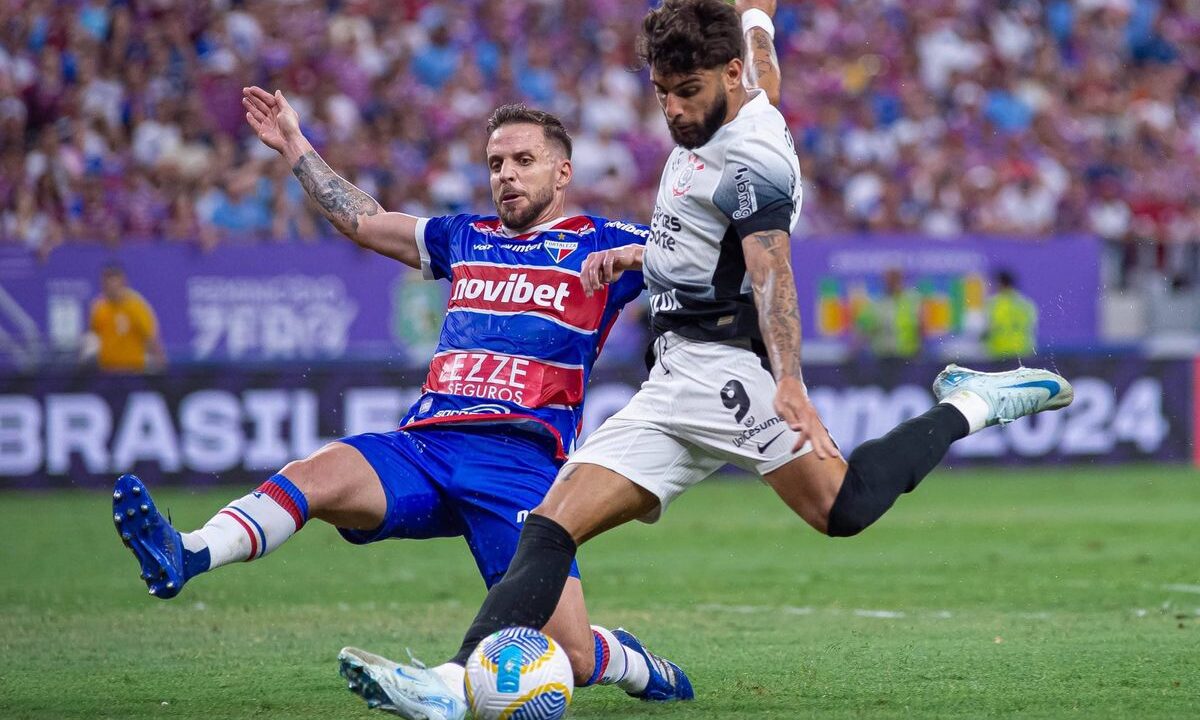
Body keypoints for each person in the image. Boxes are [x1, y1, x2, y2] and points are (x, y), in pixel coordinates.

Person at [362, 1, 1075, 715]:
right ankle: (452, 686)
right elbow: (764, 66)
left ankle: (972, 403)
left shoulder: (751, 160)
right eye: (662, 93)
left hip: (726, 369)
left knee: (844, 509)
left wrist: (789, 382)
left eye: (688, 93)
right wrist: (756, 17)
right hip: (673, 372)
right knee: (550, 522)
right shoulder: (748, 91)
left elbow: (771, 271)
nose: (673, 110)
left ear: (727, 76)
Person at [111, 88, 688, 720]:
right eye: (496, 164)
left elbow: (705, 259)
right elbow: (362, 220)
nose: (507, 176)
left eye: (524, 160)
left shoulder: (603, 239)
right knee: (315, 475)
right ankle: (188, 551)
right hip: (427, 444)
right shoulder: (463, 236)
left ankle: (633, 664)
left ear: (562, 171)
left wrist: (641, 255)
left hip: (520, 467)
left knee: (570, 657)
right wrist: (296, 147)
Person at [89, 264, 167, 373]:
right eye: (106, 284)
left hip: (133, 370)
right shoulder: (99, 308)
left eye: (114, 283)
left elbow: (150, 337)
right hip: (107, 370)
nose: (111, 288)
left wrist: (160, 360)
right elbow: (94, 336)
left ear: (123, 283)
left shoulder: (136, 307)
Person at [856, 267, 922, 358]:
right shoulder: (877, 302)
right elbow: (865, 329)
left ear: (900, 279)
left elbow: (922, 327)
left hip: (907, 355)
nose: (891, 282)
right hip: (882, 356)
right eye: (888, 279)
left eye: (894, 278)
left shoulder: (912, 300)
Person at [985, 269, 1038, 359]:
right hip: (1023, 353)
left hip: (999, 354)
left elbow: (985, 329)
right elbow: (1031, 328)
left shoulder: (993, 304)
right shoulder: (1026, 304)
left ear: (999, 283)